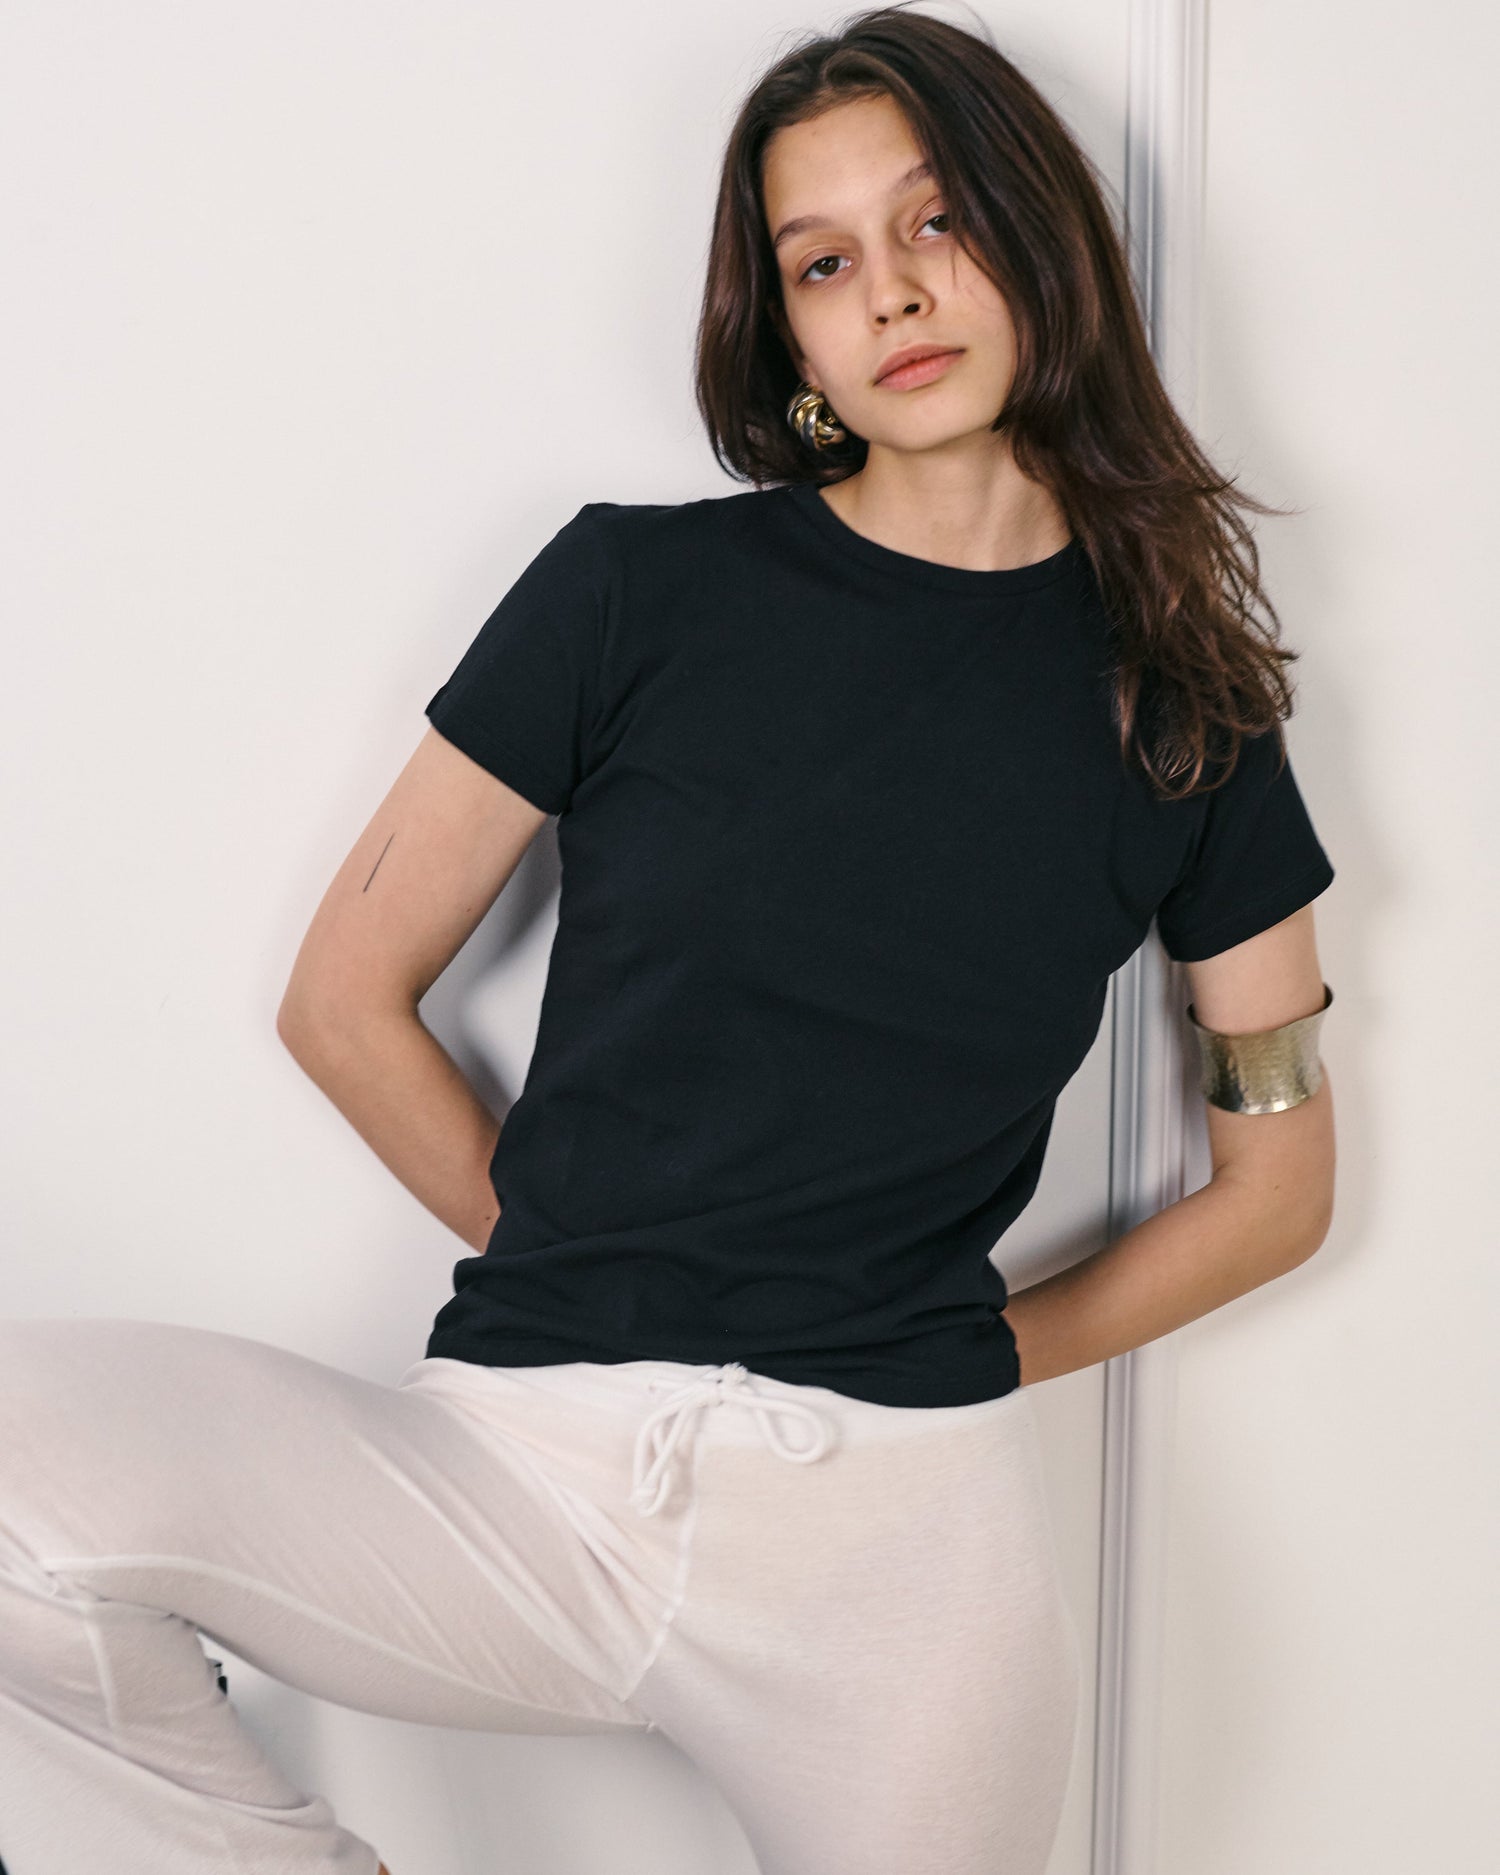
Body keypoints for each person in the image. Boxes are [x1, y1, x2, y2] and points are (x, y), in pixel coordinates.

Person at [0, 7, 1337, 1874]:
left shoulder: (1184, 710)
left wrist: (957, 1354)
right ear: (785, 331)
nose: (892, 290)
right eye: (822, 261)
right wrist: (603, 1269)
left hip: (898, 1549)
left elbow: (1278, 1192)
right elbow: (343, 1000)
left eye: (937, 221)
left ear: (1042, 238)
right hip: (526, 1471)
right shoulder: (635, 590)